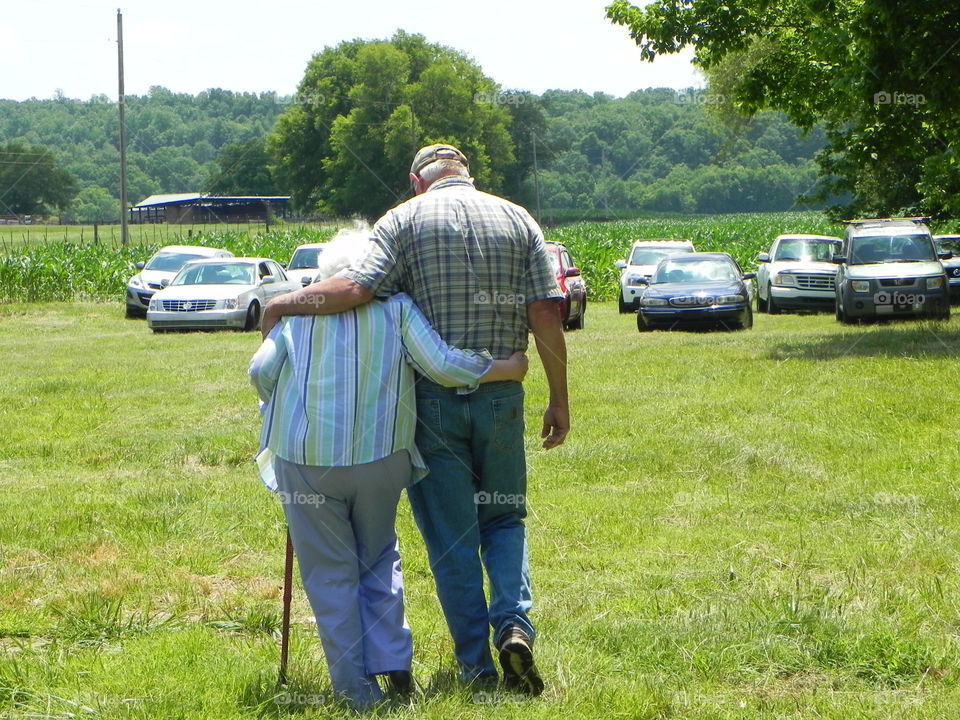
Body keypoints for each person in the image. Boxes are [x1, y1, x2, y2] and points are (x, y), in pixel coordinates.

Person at [261, 144, 569, 695]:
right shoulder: (519, 218)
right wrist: (558, 396)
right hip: (502, 400)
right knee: (504, 520)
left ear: (416, 180)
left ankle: (475, 667)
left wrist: (290, 301)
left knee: (452, 537)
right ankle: (515, 627)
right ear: (468, 174)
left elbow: (357, 287)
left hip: (431, 405)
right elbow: (546, 308)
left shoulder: (401, 219)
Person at [249, 230, 529, 710]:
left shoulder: (296, 312)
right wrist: (504, 367)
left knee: (332, 573)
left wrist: (278, 400)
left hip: (307, 460)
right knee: (379, 555)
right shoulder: (397, 308)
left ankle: (356, 689)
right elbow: (441, 365)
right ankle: (394, 661)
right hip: (382, 459)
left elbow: (259, 371)